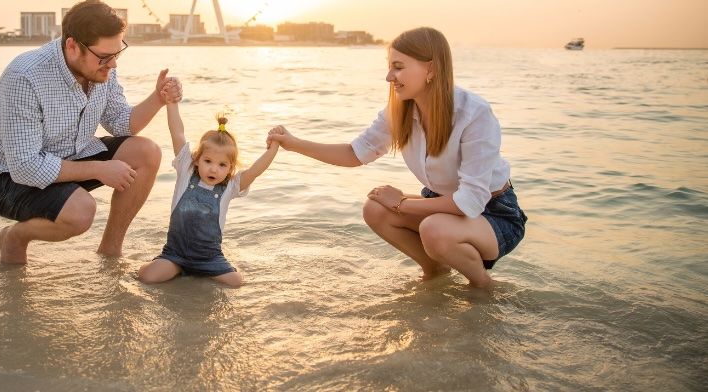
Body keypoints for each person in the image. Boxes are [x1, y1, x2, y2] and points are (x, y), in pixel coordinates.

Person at [267, 27, 527, 287]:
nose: (389, 76)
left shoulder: (473, 113)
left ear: (431, 69)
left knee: (433, 229)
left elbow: (469, 201)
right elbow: (354, 153)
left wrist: (401, 203)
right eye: (390, 67)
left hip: (494, 214)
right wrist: (294, 144)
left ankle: (484, 287)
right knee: (376, 209)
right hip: (441, 208)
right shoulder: (399, 110)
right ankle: (435, 272)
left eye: (398, 67)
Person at [0, 0, 181, 264]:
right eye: (105, 57)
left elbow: (121, 123)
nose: (113, 65)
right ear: (72, 46)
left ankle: (110, 252)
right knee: (81, 212)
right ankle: (15, 237)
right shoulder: (25, 76)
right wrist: (98, 169)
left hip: (69, 155)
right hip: (5, 179)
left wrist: (158, 98)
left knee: (147, 152)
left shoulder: (101, 66)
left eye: (117, 54)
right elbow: (25, 167)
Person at [137, 100, 281, 287]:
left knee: (236, 282)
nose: (214, 169)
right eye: (208, 161)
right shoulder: (186, 171)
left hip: (209, 259)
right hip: (175, 255)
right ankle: (167, 268)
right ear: (197, 159)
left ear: (230, 168)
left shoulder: (230, 187)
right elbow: (177, 133)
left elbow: (255, 170)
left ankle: (203, 272)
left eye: (222, 165)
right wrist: (172, 103)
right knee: (147, 277)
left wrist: (274, 147)